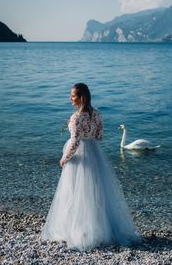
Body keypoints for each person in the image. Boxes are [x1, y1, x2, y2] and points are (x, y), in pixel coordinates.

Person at [41, 83, 142, 251]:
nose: (70, 99)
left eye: (73, 96)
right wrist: (87, 132)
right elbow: (100, 136)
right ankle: (101, 229)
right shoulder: (96, 113)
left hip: (80, 155)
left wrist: (64, 158)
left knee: (76, 192)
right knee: (96, 192)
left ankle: (78, 230)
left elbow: (75, 141)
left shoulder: (76, 117)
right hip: (95, 153)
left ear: (81, 98)